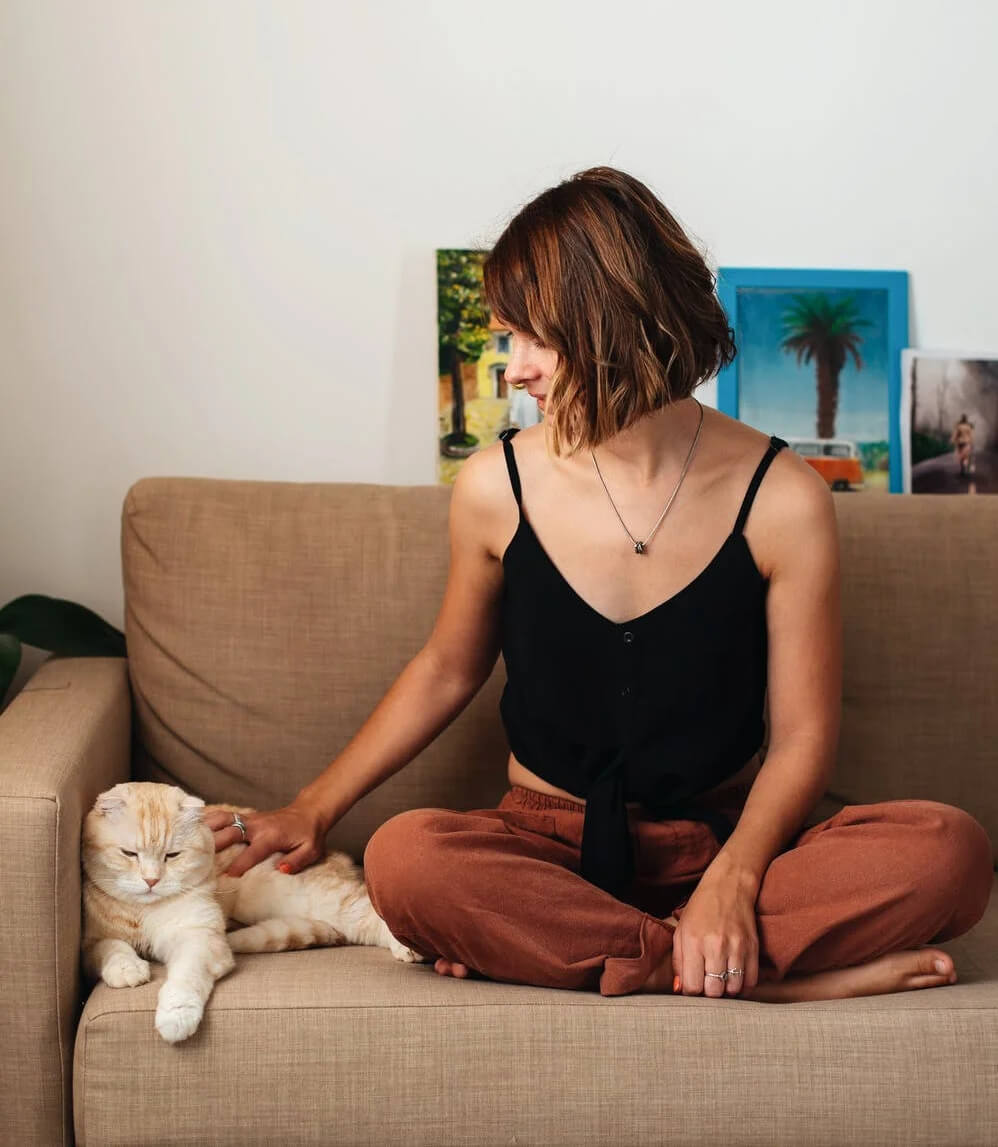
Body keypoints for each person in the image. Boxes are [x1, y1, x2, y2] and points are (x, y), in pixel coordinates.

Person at [207, 166, 993, 1002]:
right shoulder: (492, 486)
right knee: (406, 860)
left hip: (724, 842)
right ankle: (744, 975)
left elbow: (800, 738)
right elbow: (446, 668)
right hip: (544, 849)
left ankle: (658, 951)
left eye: (531, 339)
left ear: (608, 324)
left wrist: (732, 878)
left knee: (952, 849)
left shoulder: (784, 497)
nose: (513, 370)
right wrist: (313, 806)